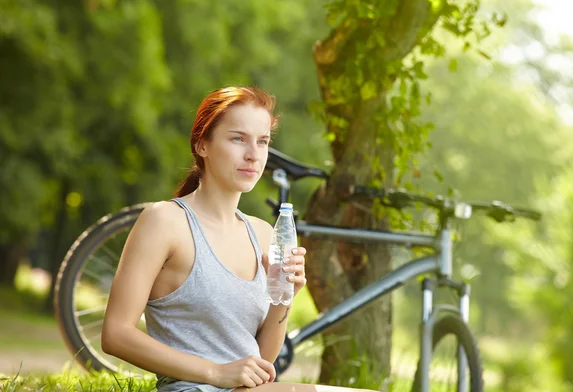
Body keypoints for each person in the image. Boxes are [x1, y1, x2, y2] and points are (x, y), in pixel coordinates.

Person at [101, 86, 378, 392]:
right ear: (202, 144)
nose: (253, 155)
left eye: (263, 142)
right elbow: (116, 334)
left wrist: (283, 298)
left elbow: (261, 362)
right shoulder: (165, 221)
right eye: (238, 139)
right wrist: (214, 373)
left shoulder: (262, 233)